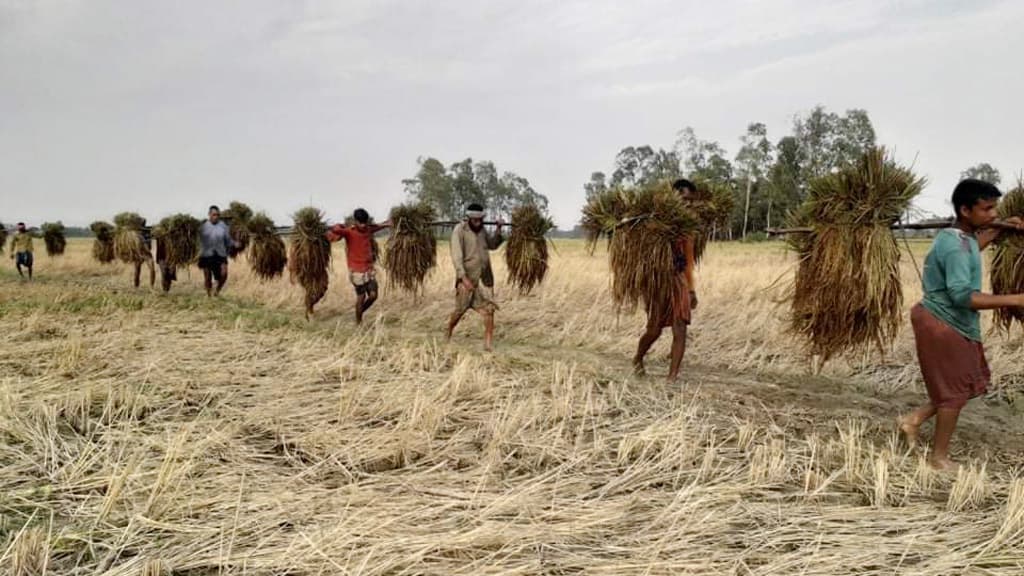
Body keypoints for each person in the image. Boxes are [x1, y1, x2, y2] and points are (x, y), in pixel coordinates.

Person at [898, 179, 1024, 471]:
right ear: (966, 210)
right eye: (987, 209)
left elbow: (973, 247)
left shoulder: (960, 238)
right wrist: (1015, 299)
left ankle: (913, 420)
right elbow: (961, 296)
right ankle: (939, 459)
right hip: (942, 321)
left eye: (996, 208)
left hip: (949, 321)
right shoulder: (954, 246)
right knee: (954, 392)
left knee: (967, 384)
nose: (994, 214)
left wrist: (1001, 228)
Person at [632, 178, 699, 382]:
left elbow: (688, 261)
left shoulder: (688, 230)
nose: (687, 204)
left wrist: (691, 290)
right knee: (654, 329)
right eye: (683, 199)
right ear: (673, 197)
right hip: (657, 280)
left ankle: (672, 378)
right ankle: (638, 358)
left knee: (680, 327)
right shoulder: (656, 222)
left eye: (690, 201)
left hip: (678, 279)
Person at [447, 203, 504, 351]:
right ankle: (448, 331)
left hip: (484, 279)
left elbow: (492, 245)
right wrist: (463, 278)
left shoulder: (482, 231)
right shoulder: (459, 230)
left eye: (481, 219)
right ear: (469, 218)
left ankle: (488, 345)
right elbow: (456, 256)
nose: (478, 222)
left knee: (489, 310)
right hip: (467, 279)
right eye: (475, 219)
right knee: (460, 311)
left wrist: (498, 229)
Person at [325, 208, 391, 324]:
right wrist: (342, 225)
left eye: (365, 222)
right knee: (361, 298)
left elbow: (379, 226)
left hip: (369, 270)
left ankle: (359, 312)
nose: (363, 225)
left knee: (373, 295)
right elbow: (335, 229)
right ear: (355, 221)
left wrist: (387, 223)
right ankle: (358, 322)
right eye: (361, 222)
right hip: (356, 272)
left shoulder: (368, 229)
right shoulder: (349, 232)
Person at [198, 206, 236, 297]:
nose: (216, 217)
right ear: (209, 215)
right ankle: (209, 295)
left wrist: (235, 244)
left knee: (224, 274)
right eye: (214, 215)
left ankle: (217, 291)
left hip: (220, 254)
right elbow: (197, 241)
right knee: (207, 277)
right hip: (206, 255)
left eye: (218, 215)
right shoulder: (203, 227)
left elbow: (228, 240)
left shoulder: (223, 226)